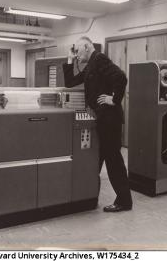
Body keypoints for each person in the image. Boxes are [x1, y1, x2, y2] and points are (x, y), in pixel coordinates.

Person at [62, 36, 133, 212]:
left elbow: (121, 77)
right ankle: (90, 197)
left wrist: (114, 99)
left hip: (110, 119)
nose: (77, 55)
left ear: (87, 47)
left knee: (113, 160)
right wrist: (70, 58)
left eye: (77, 51)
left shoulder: (99, 59)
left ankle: (124, 201)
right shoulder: (91, 65)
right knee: (98, 159)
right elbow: (70, 82)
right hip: (103, 119)